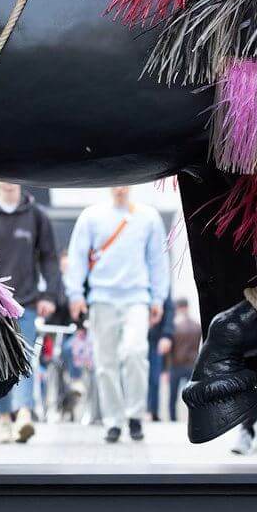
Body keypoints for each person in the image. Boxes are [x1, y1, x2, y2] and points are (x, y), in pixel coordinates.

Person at [64, 185, 169, 444]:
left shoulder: (149, 216)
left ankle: (134, 414)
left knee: (135, 353)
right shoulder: (91, 215)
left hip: (136, 298)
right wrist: (75, 294)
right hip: (101, 297)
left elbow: (158, 259)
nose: (120, 186)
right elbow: (77, 256)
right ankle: (113, 420)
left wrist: (158, 298)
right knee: (105, 362)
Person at [0, 181, 62, 443]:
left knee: (25, 358)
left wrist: (49, 295)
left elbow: (49, 257)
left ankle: (24, 414)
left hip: (25, 301)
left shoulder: (35, 215)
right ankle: (4, 419)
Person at [164, 297, 201, 422]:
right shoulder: (197, 326)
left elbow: (169, 351)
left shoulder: (173, 326)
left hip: (176, 365)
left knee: (173, 396)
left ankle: (172, 419)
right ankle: (194, 418)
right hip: (192, 365)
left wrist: (166, 369)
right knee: (192, 395)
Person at [146, 291, 176, 421]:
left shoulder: (161, 279)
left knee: (154, 378)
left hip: (155, 339)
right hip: (132, 333)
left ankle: (152, 411)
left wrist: (166, 335)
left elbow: (169, 309)